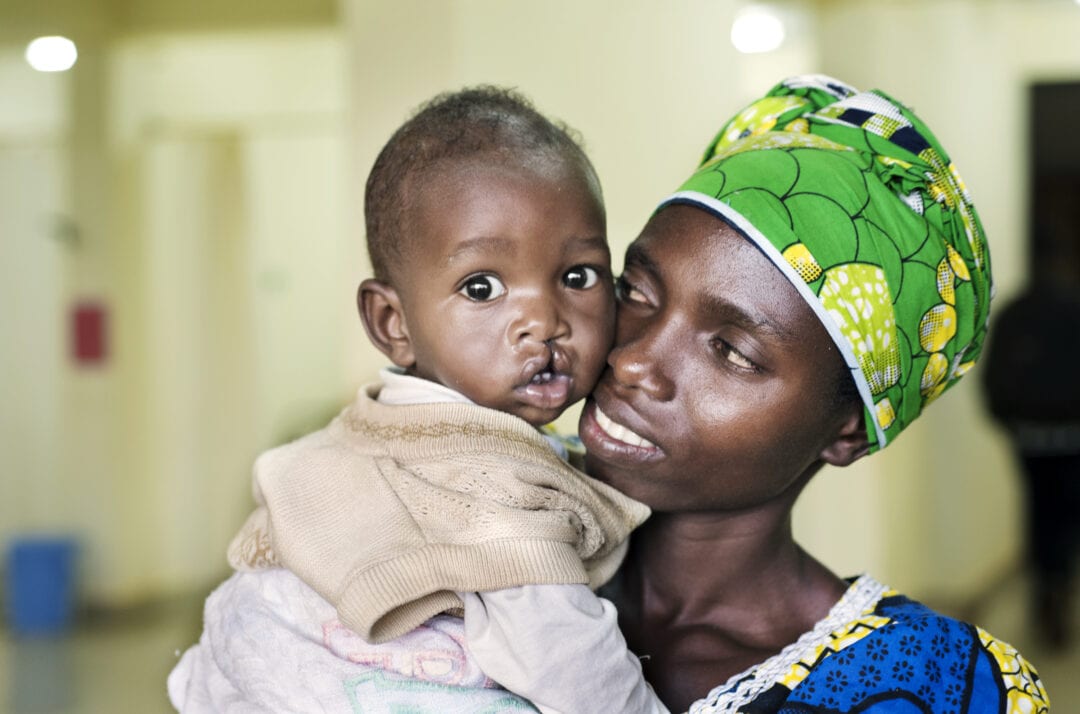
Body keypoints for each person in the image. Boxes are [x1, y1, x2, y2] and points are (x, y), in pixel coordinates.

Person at [167, 86, 664, 713]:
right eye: (482, 287)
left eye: (577, 276)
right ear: (393, 323)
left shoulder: (384, 429)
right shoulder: (490, 487)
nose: (544, 320)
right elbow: (577, 672)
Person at [568, 74, 1049, 712]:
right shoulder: (471, 532)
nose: (632, 362)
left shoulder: (946, 687)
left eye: (733, 352)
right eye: (635, 292)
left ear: (847, 428)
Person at [982, 275, 1080, 650]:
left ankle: (1047, 591)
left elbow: (995, 380)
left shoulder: (1016, 314)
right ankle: (1059, 588)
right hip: (1072, 438)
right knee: (1066, 518)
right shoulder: (1073, 312)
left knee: (1040, 512)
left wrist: (1009, 422)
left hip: (1030, 438)